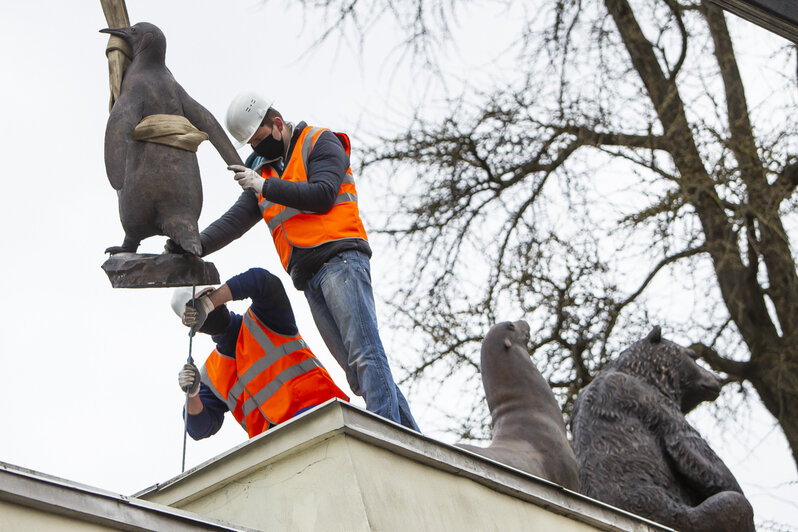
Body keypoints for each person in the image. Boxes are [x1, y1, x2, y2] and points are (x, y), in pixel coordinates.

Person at [184, 91, 419, 432]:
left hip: (341, 260)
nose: (256, 150)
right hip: (309, 277)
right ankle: (412, 437)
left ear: (277, 124)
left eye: (259, 139)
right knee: (355, 370)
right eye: (250, 145)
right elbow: (234, 222)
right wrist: (193, 246)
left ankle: (387, 434)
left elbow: (322, 194)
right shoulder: (260, 172)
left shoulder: (320, 142)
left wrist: (264, 185)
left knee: (365, 354)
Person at [173, 267, 349, 440]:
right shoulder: (210, 374)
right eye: (194, 313)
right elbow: (198, 428)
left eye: (205, 302)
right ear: (192, 325)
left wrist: (209, 302)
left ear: (221, 299)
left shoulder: (267, 319)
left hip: (324, 415)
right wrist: (192, 394)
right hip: (274, 447)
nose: (206, 313)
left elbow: (262, 280)